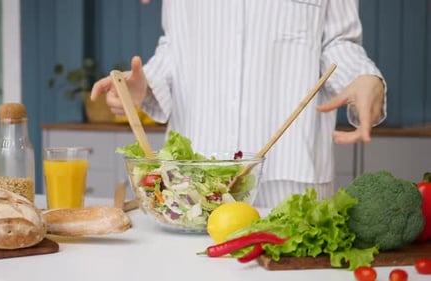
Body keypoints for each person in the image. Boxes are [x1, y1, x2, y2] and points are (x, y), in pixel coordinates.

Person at [91, 0, 386, 207]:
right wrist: (146, 85)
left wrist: (364, 77)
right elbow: (177, 43)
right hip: (195, 179)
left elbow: (338, 41)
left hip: (291, 176)